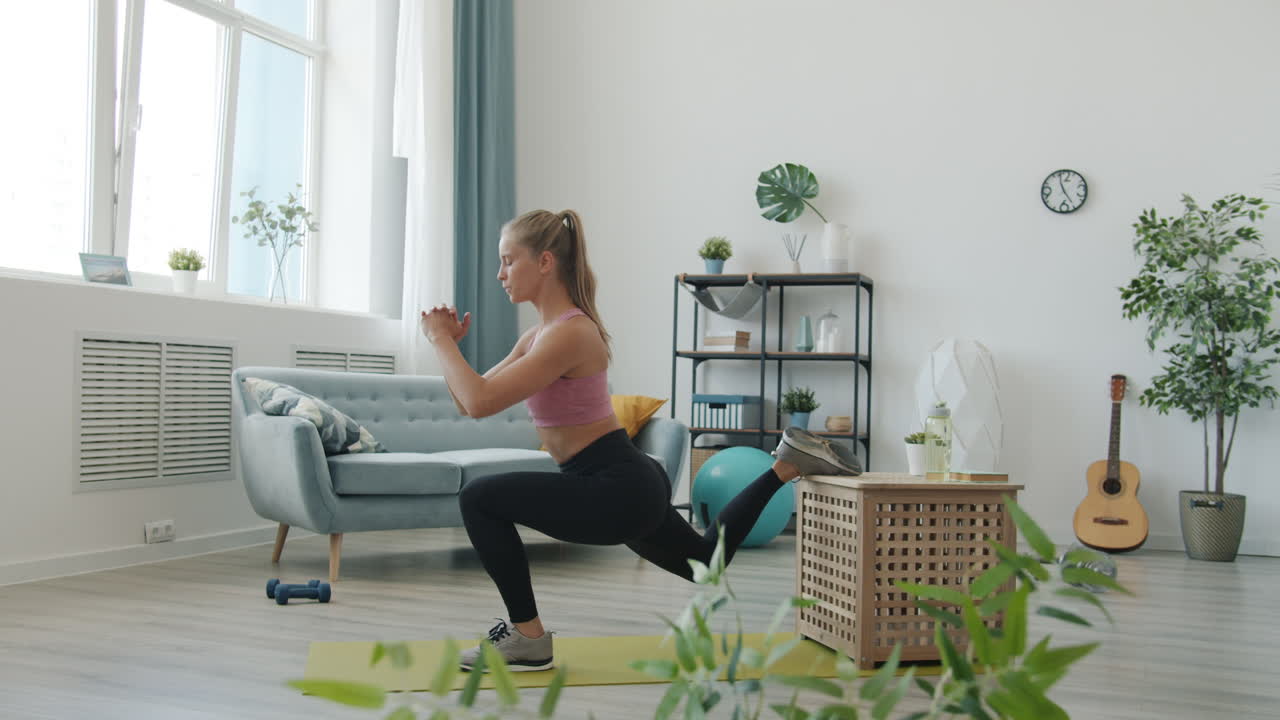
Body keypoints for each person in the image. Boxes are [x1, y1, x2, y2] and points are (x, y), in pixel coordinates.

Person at [420, 209, 860, 672]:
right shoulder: (538, 336)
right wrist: (445, 342)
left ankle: (528, 638)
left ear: (545, 261)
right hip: (622, 479)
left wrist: (439, 341)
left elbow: (478, 401)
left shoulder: (570, 333)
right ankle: (785, 466)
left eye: (509, 261)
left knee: (479, 498)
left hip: (613, 484)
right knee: (705, 562)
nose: (500, 274)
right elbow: (467, 400)